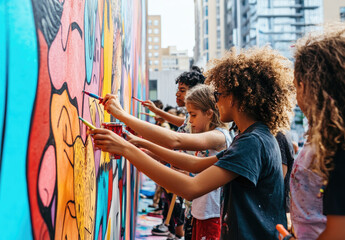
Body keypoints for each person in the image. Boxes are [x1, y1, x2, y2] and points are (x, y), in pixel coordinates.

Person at [92, 46, 295, 239]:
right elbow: (194, 165)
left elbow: (191, 186)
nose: (216, 101)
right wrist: (137, 144)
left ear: (235, 97)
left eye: (219, 94)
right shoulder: (251, 137)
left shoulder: (253, 141)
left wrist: (126, 148)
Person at [127, 85, 232, 239]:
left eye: (193, 115)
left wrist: (122, 116)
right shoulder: (209, 135)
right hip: (198, 211)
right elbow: (197, 166)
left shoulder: (220, 136)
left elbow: (174, 141)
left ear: (209, 113)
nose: (189, 121)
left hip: (211, 215)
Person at [288, 24, 345, 239]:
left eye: (296, 87)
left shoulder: (337, 146)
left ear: (307, 86)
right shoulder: (325, 135)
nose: (295, 97)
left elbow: (339, 232)